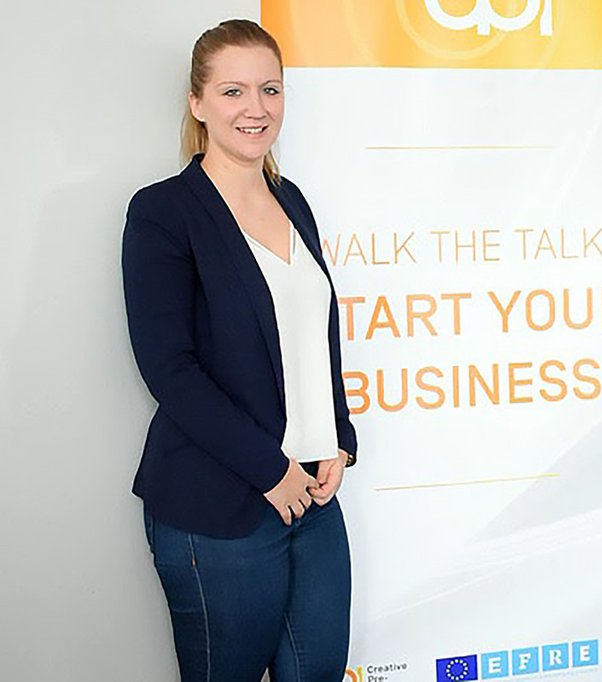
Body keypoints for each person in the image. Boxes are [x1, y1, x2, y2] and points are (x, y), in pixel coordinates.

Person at [122, 19, 357, 681]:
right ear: (197, 103)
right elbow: (169, 368)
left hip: (311, 499)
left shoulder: (294, 202)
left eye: (270, 90)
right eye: (232, 91)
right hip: (216, 509)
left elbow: (317, 334)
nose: (255, 108)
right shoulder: (163, 211)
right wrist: (269, 468)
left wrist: (339, 437)